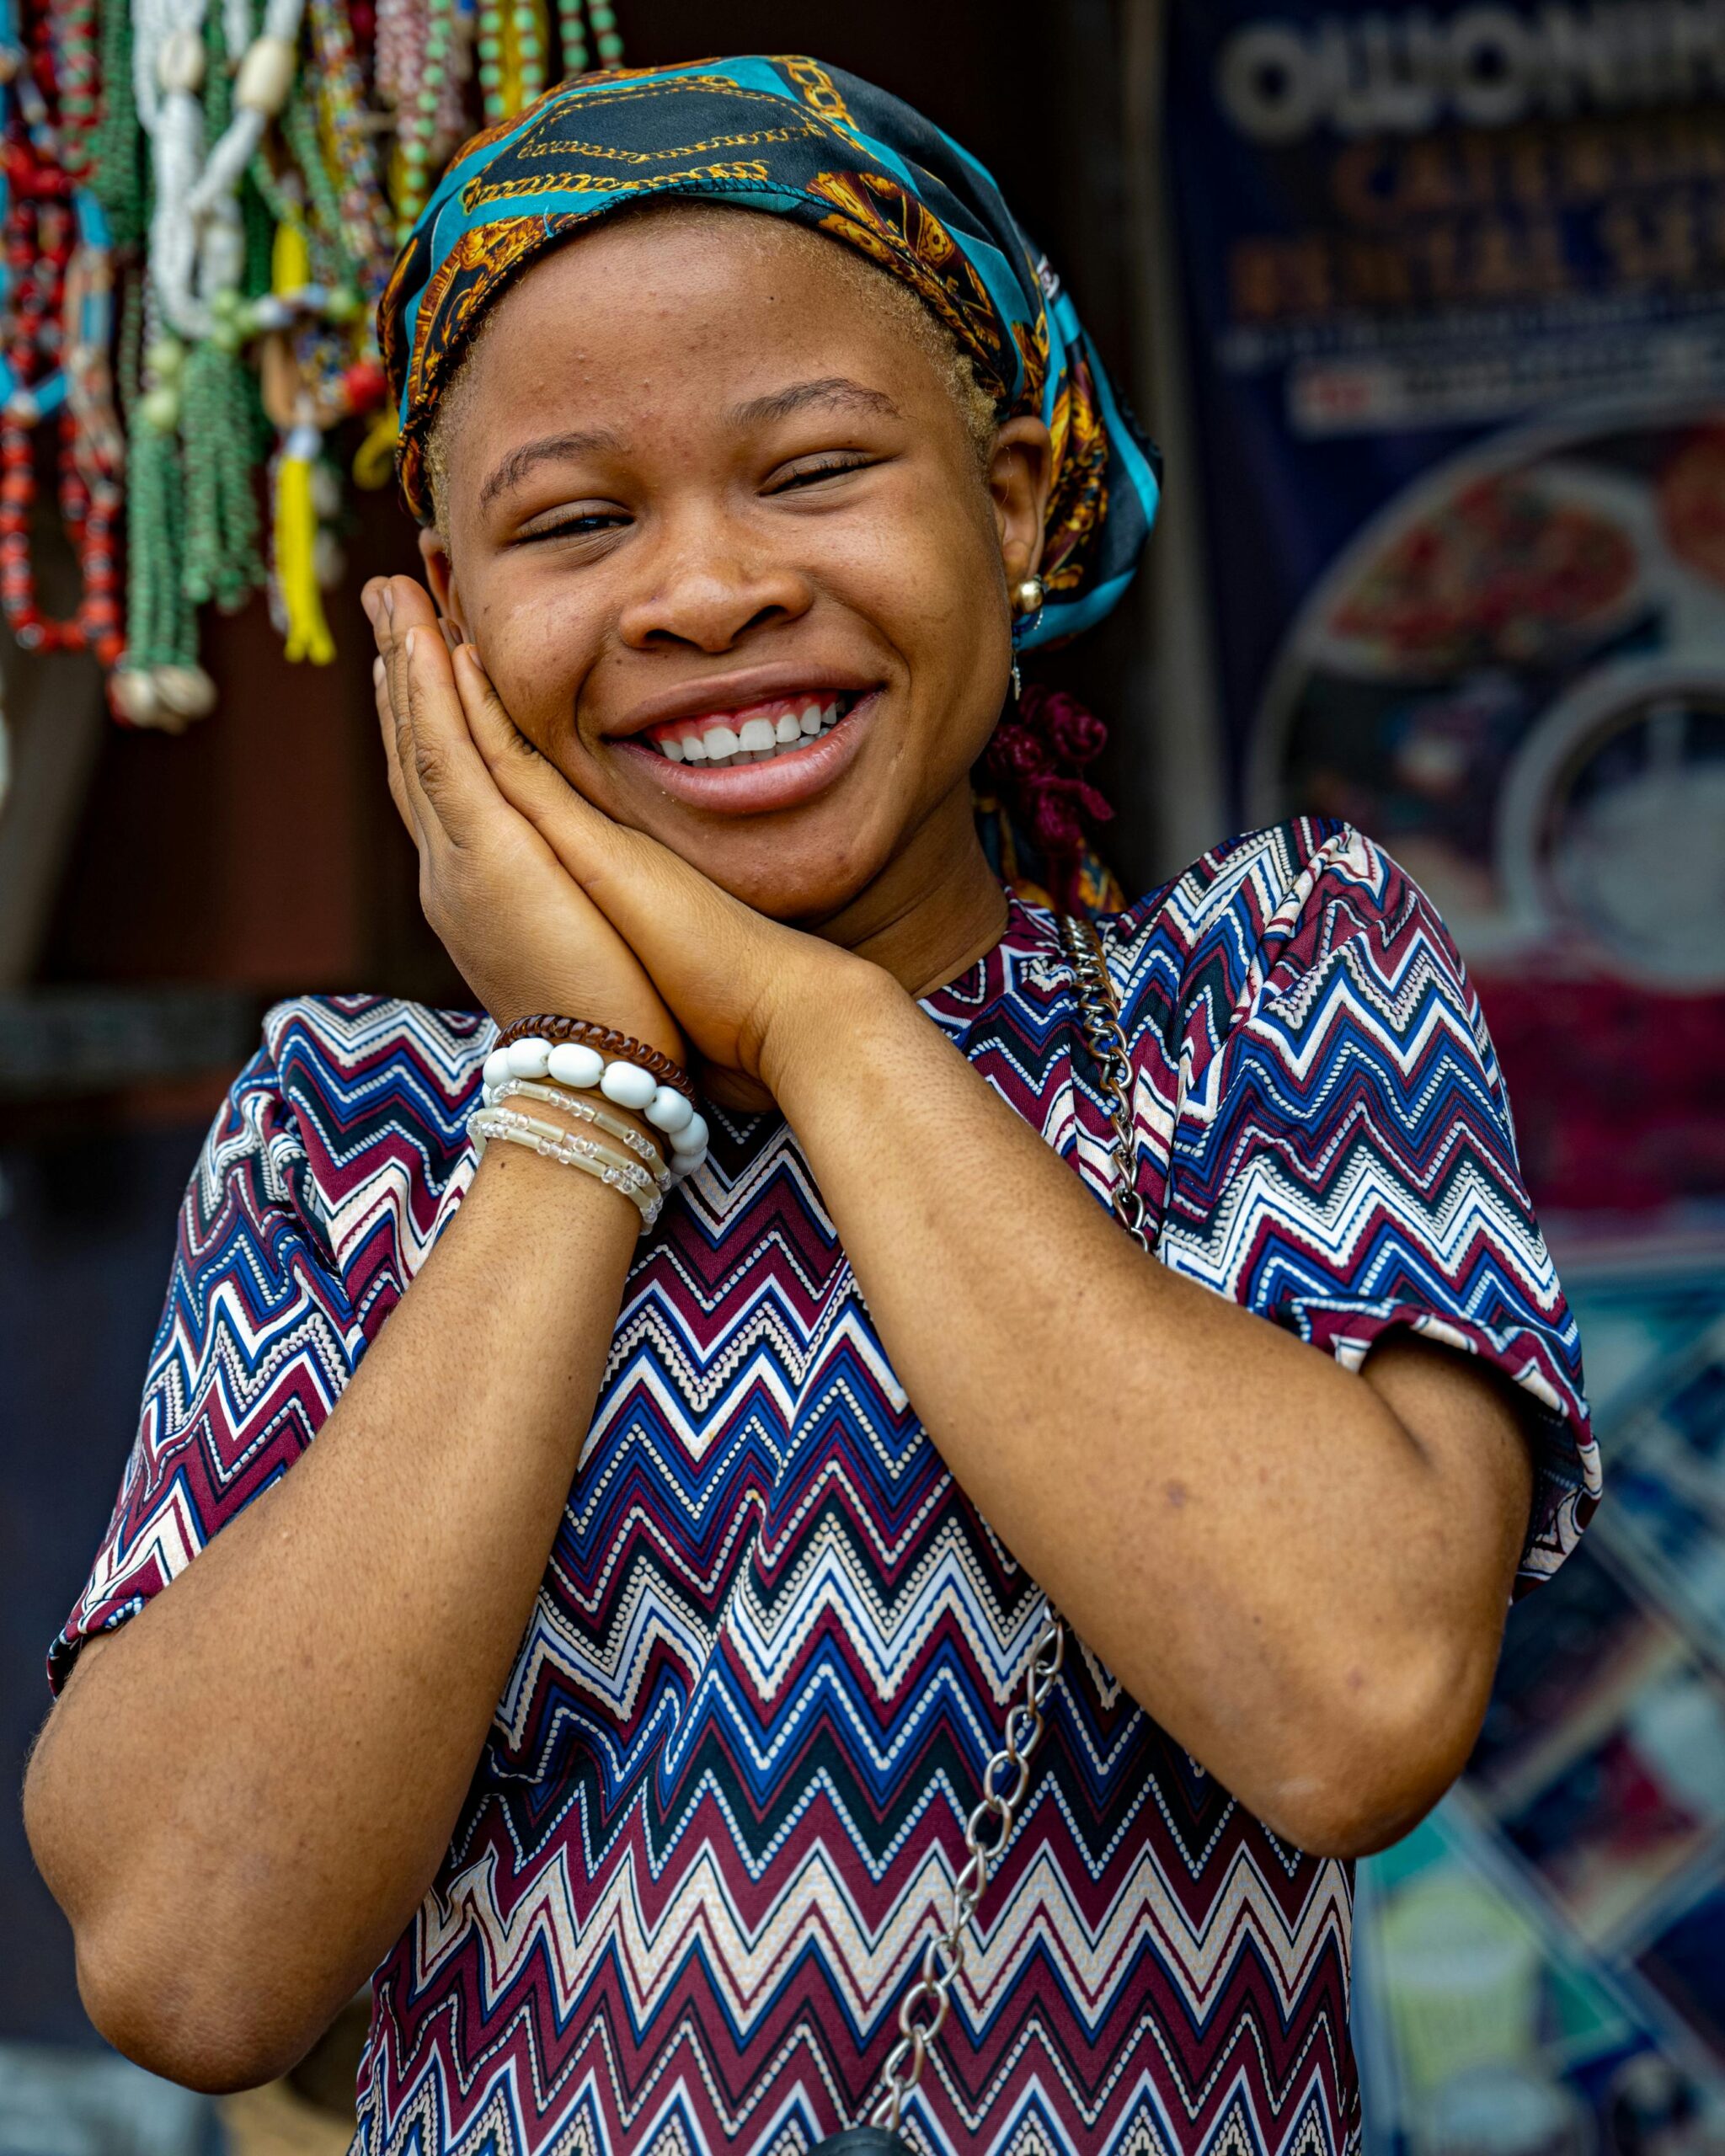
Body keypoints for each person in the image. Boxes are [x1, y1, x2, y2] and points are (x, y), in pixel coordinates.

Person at [24, 56, 1598, 2156]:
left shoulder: (1259, 991)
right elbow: (191, 1959)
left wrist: (820, 1027)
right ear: (453, 624)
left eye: (814, 469)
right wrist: (580, 1107)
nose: (704, 590)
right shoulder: (352, 1133)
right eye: (576, 520)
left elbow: (1354, 1698)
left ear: (1018, 498)